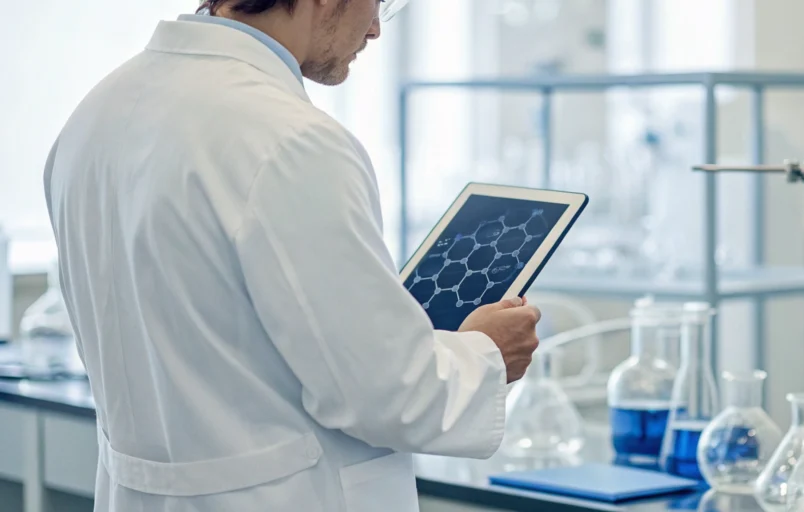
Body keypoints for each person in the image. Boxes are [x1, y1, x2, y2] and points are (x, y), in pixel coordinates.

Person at [43, 1, 542, 510]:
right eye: (375, 4)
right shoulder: (292, 139)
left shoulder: (96, 114)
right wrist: (486, 354)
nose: (373, 29)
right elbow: (387, 394)